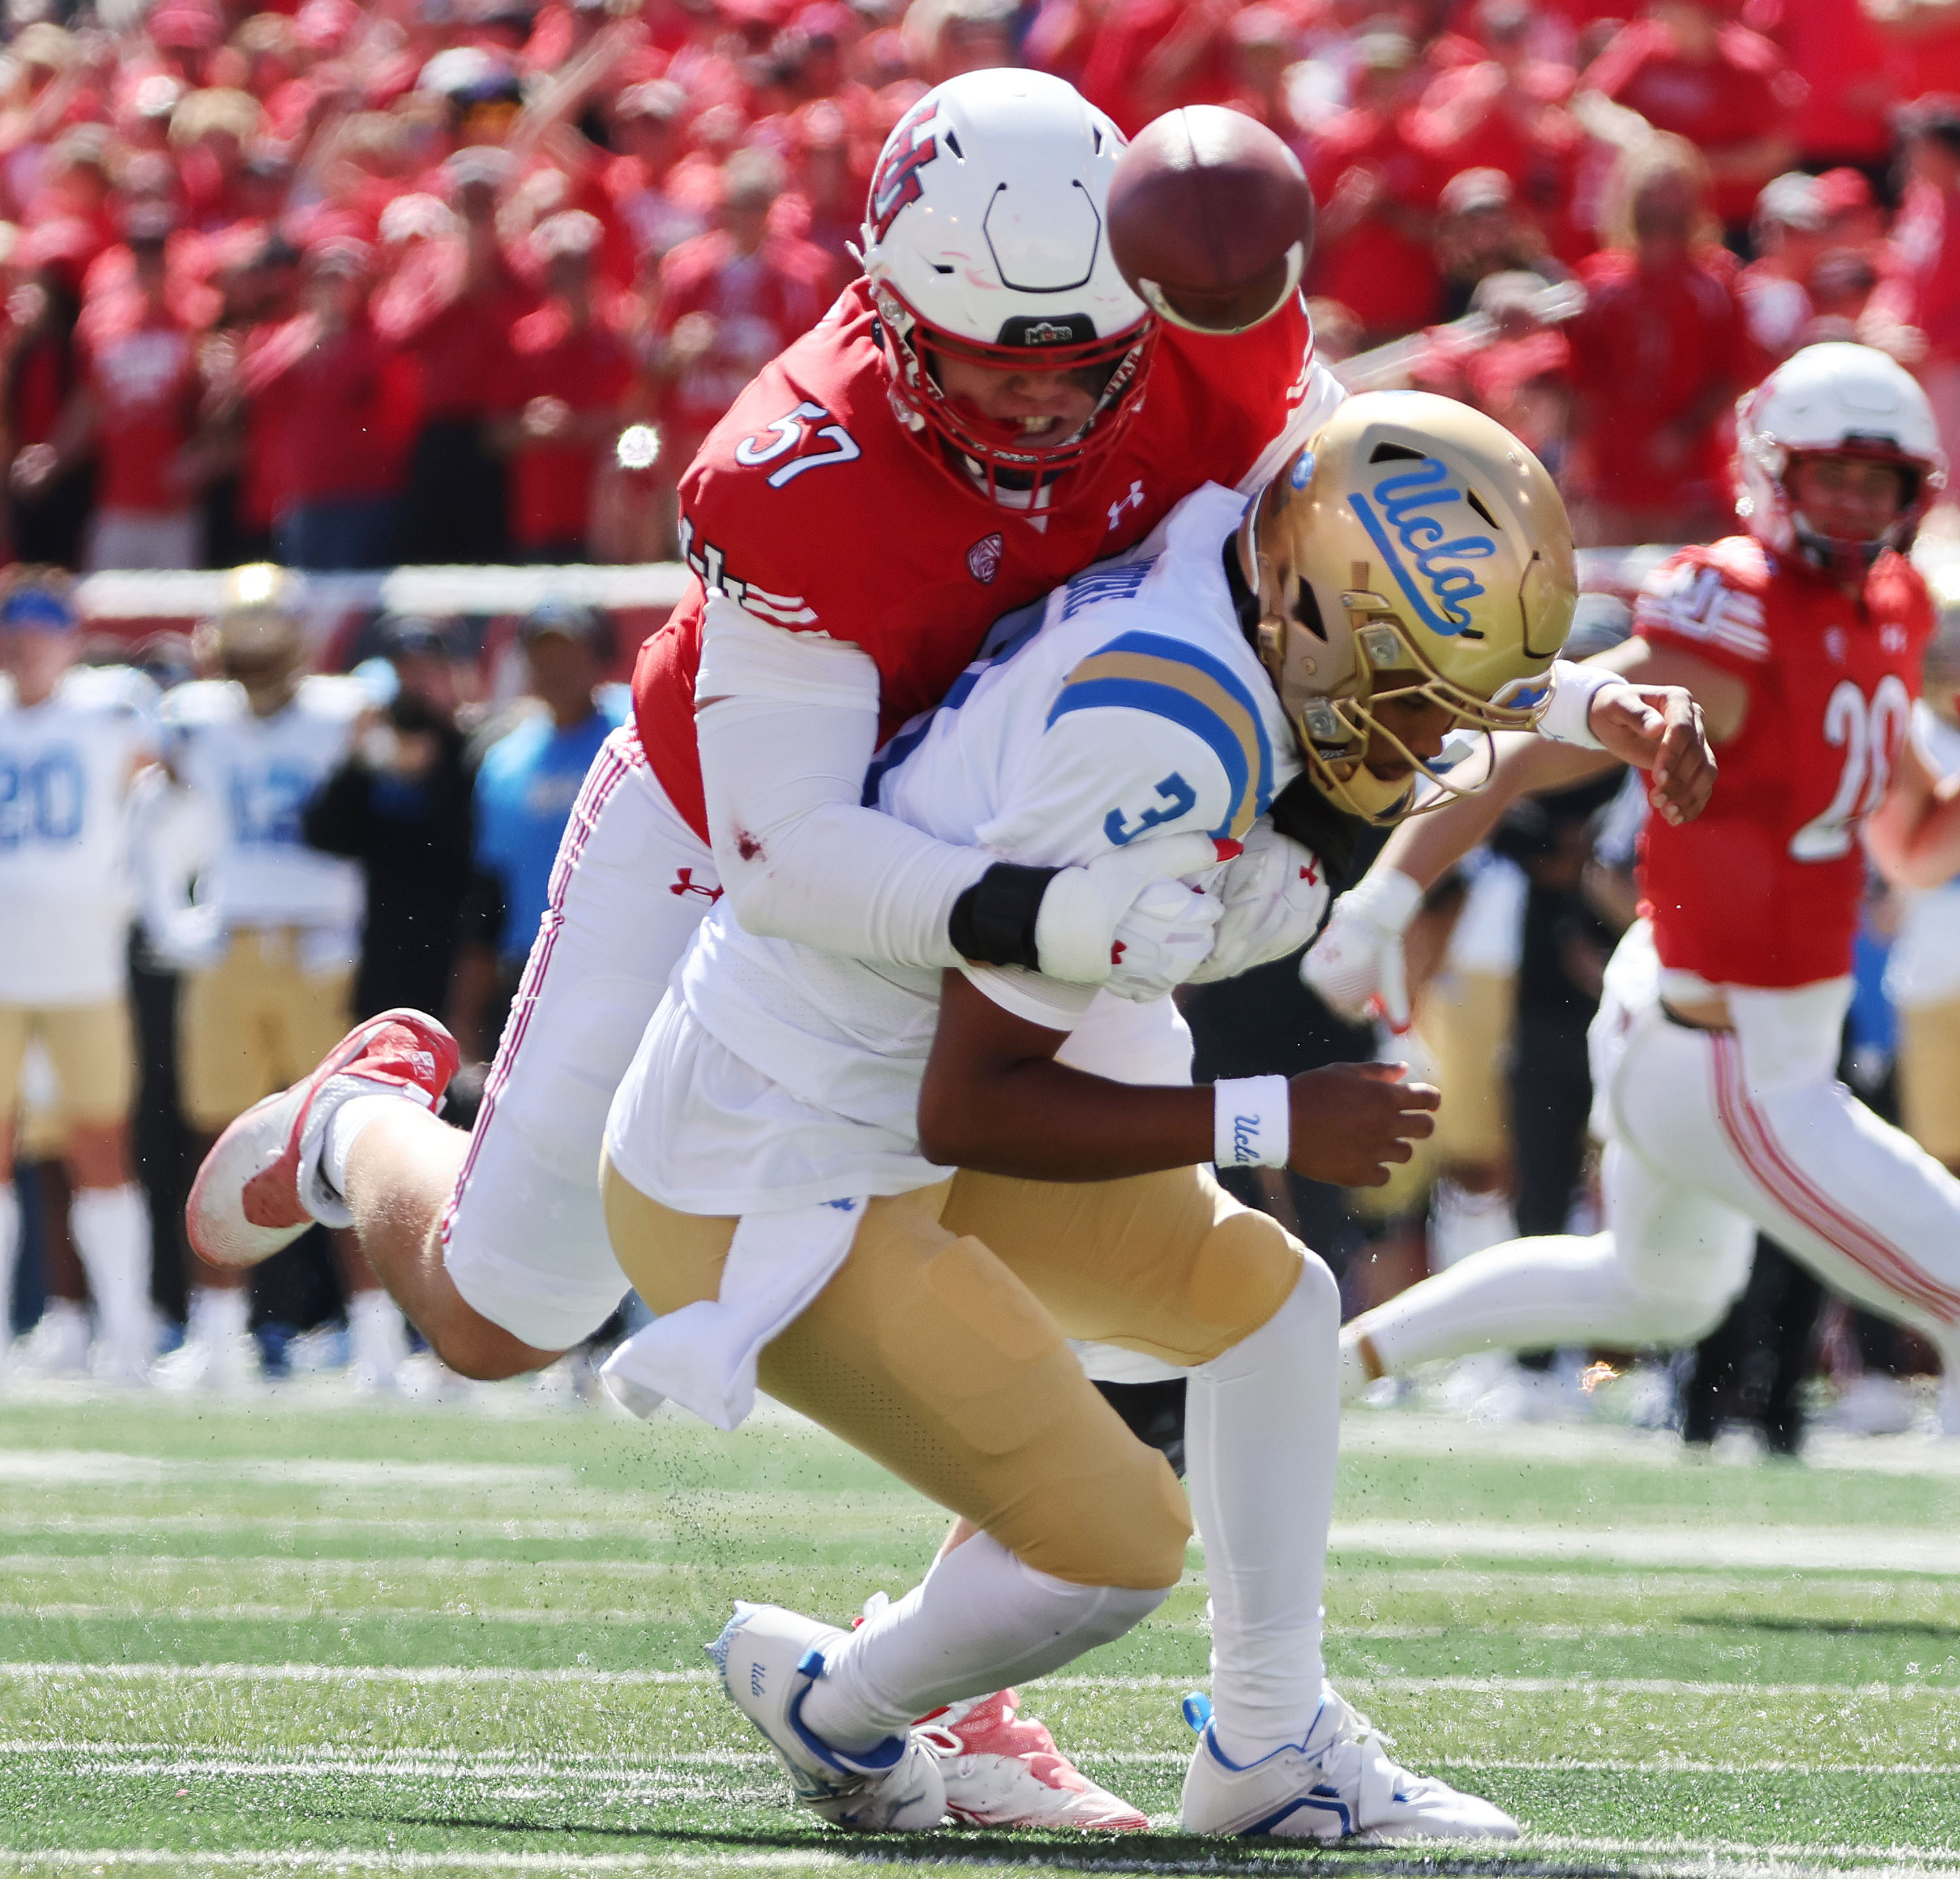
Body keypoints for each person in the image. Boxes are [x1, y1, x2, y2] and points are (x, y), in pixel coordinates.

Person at [183, 74, 1695, 1829]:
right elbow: (792, 852)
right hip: (753, 836)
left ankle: (971, 1693)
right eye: (994, 360)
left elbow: (1365, 569)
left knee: (1156, 1285)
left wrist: (1567, 689)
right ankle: (362, 1125)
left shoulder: (1202, 333)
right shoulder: (794, 463)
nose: (1045, 400)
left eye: (1082, 361)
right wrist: (1052, 923)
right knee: (503, 1310)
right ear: (893, 314)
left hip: (1062, 817)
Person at [589, 395, 1681, 1840]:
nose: (1430, 741)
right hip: (781, 1165)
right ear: (1309, 617)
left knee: (1271, 1310)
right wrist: (1272, 1120)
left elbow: (1405, 621)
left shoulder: (1259, 552)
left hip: (879, 1108)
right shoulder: (1159, 741)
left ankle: (1270, 1748)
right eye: (1419, 696)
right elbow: (974, 1103)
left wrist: (1582, 701)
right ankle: (837, 1704)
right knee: (1108, 1551)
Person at [1311, 344, 1960, 1425]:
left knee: (1657, 1289)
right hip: (1730, 1055)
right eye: (1831, 474)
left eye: (1877, 480)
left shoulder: (1886, 606)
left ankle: (1325, 1368)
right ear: (1773, 472)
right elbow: (1525, 744)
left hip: (1723, 1029)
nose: (1854, 502)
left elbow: (1913, 844)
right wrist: (1388, 893)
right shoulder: (1736, 610)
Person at [149, 563, 373, 1390]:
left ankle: (375, 1334)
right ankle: (217, 1336)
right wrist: (174, 916)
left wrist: (351, 922)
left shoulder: (346, 712)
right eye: (241, 641)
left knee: (350, 1145)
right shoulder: (198, 722)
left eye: (263, 640)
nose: (250, 658)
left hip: (320, 945)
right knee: (221, 1143)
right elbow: (150, 814)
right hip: (236, 942)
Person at [0, 571, 157, 1383]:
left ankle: (127, 1332)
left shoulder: (109, 711)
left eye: (39, 626)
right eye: (13, 626)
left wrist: (153, 892)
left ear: (70, 636)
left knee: (101, 1144)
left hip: (81, 961)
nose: (24, 643)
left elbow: (174, 784)